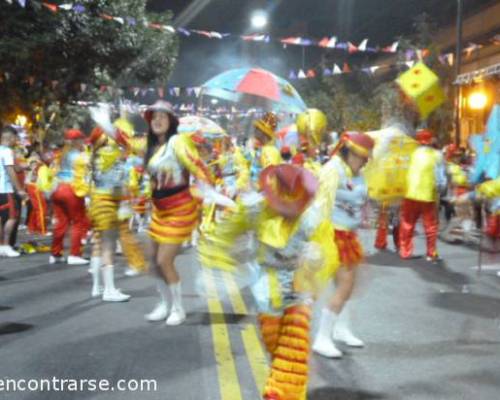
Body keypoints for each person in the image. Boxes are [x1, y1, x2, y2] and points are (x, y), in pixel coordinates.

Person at [143, 100, 214, 326]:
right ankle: (164, 304)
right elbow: (126, 142)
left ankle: (178, 308)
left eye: (163, 116)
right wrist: (108, 126)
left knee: (165, 260)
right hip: (159, 211)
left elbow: (197, 165)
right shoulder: (152, 147)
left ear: (172, 122)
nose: (158, 120)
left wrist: (209, 189)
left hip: (179, 209)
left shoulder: (178, 141)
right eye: (154, 116)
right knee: (153, 261)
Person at [312, 131, 375, 359]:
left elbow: (359, 198)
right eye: (362, 157)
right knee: (345, 285)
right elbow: (321, 205)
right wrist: (319, 240)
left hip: (348, 233)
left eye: (367, 158)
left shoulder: (356, 172)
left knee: (348, 285)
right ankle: (322, 337)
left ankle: (340, 329)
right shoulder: (332, 170)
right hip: (332, 234)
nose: (365, 162)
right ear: (348, 152)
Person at [399, 129, 447, 262]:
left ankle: (405, 252)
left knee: (407, 223)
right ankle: (431, 253)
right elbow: (440, 177)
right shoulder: (437, 155)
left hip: (410, 193)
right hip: (427, 195)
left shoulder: (411, 154)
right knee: (430, 225)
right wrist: (441, 189)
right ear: (430, 140)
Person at [49, 129, 90, 265]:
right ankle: (75, 254)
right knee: (79, 222)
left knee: (61, 222)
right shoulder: (80, 156)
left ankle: (55, 254)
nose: (84, 142)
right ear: (77, 141)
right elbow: (88, 170)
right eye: (82, 139)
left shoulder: (61, 155)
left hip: (57, 189)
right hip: (72, 189)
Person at [0, 126, 26, 257]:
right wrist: (20, 190)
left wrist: (21, 167)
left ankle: (1, 246)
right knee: (12, 217)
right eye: (15, 138)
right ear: (10, 138)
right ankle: (6, 245)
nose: (16, 140)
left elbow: (15, 168)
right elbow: (10, 171)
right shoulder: (7, 151)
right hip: (6, 190)